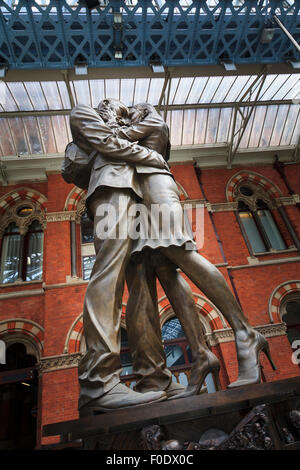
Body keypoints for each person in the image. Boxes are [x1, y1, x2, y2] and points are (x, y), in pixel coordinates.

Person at [116, 102, 277, 398]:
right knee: (167, 270)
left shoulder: (150, 125)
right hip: (145, 198)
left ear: (143, 112)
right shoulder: (148, 133)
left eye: (131, 113)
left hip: (157, 192)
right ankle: (202, 354)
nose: (128, 117)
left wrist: (110, 124)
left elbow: (115, 141)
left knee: (184, 255)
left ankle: (245, 332)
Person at [68, 99, 171, 416]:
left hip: (138, 194)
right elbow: (107, 143)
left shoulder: (125, 128)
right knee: (108, 274)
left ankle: (154, 378)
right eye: (118, 110)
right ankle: (98, 382)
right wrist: (150, 155)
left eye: (126, 114)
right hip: (109, 189)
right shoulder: (83, 112)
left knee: (143, 285)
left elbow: (149, 136)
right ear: (104, 106)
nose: (122, 115)